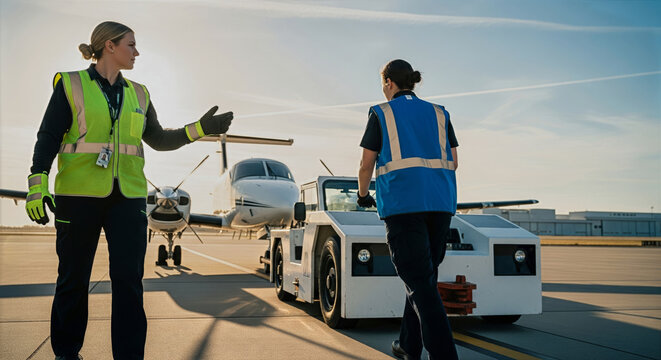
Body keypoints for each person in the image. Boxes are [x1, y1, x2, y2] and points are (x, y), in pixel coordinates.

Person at [25, 21, 233, 360]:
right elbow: (47, 137)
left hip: (129, 198)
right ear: (109, 46)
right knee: (73, 281)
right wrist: (37, 184)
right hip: (78, 197)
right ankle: (66, 353)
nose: (137, 52)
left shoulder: (139, 92)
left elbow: (160, 139)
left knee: (129, 284)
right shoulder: (71, 84)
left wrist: (200, 129)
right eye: (131, 45)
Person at [357, 59, 459, 360]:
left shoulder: (381, 113)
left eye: (382, 82)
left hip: (403, 206)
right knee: (422, 278)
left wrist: (364, 195)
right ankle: (408, 345)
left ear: (389, 82)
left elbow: (366, 164)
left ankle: (445, 356)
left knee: (420, 285)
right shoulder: (440, 113)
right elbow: (453, 161)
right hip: (440, 204)